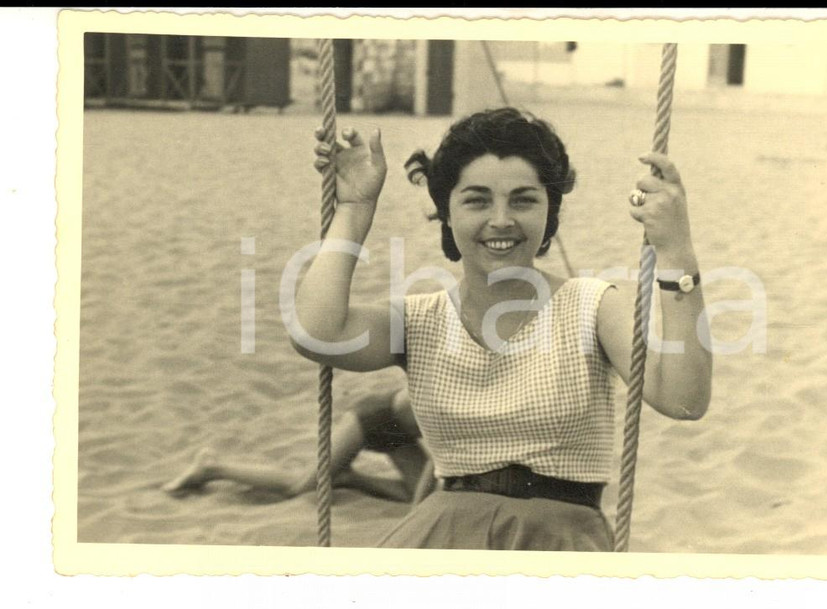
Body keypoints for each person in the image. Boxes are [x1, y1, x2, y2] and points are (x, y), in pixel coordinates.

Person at [293, 108, 713, 551]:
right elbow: (317, 332)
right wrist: (355, 209)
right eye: (477, 200)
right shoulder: (419, 320)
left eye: (523, 199)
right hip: (441, 539)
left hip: (558, 544)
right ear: (446, 212)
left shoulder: (591, 307)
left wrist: (677, 251)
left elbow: (684, 400)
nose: (501, 219)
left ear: (549, 210)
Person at [162, 386, 435, 505]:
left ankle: (348, 478)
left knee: (416, 495)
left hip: (397, 430)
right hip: (371, 417)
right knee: (301, 487)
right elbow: (442, 455)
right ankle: (213, 467)